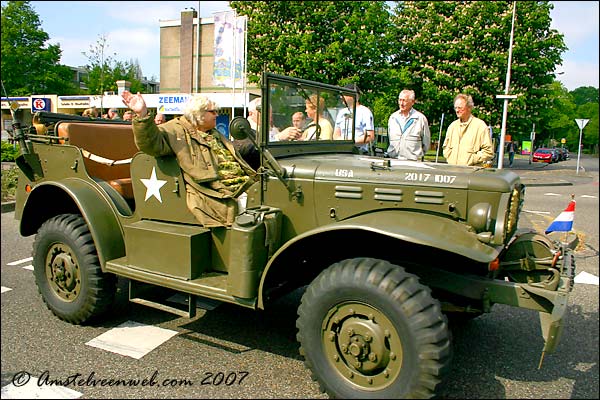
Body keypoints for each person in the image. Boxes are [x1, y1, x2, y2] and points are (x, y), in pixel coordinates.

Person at [121, 90, 257, 228]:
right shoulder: (176, 129)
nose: (217, 114)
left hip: (245, 186)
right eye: (213, 111)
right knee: (257, 210)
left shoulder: (213, 133)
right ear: (198, 113)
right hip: (215, 194)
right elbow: (151, 144)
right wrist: (142, 114)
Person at [442, 94, 494, 166]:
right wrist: (449, 157)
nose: (457, 110)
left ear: (469, 108)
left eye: (460, 108)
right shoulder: (452, 126)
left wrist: (472, 159)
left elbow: (488, 152)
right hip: (453, 171)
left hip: (471, 173)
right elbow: (445, 147)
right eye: (455, 108)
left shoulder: (480, 126)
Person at [386, 89, 431, 161]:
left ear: (412, 102)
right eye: (400, 100)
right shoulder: (393, 118)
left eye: (404, 100)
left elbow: (426, 143)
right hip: (393, 159)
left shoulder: (420, 118)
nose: (401, 103)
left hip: (413, 161)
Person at [333, 83, 374, 154]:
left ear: (353, 96)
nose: (341, 97)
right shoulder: (341, 113)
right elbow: (336, 135)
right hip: (341, 151)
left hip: (358, 152)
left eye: (345, 94)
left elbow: (370, 136)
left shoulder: (365, 112)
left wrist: (351, 142)